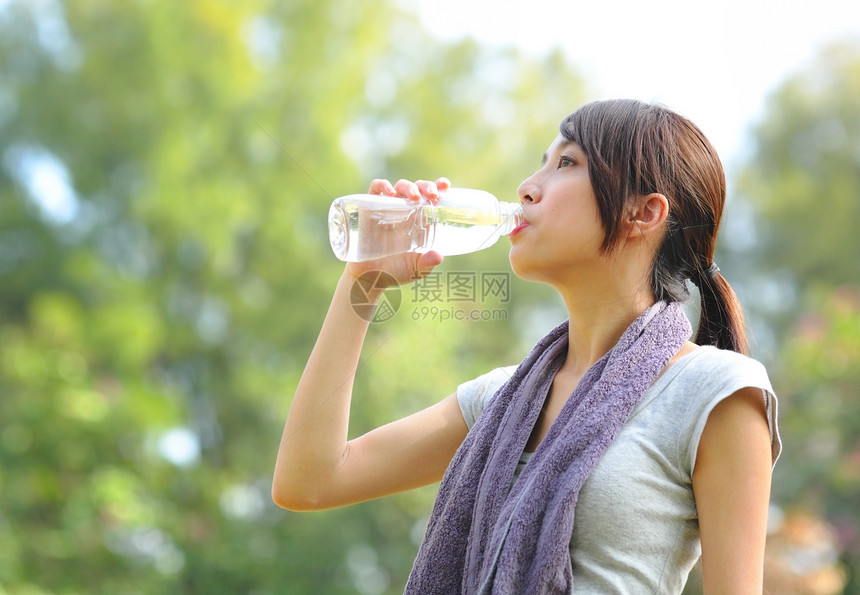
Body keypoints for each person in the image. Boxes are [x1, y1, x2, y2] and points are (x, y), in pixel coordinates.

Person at [272, 99, 781, 594]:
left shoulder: (716, 392)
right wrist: (364, 281)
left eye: (566, 162)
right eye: (543, 162)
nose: (527, 188)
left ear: (643, 213)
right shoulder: (500, 401)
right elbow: (308, 480)